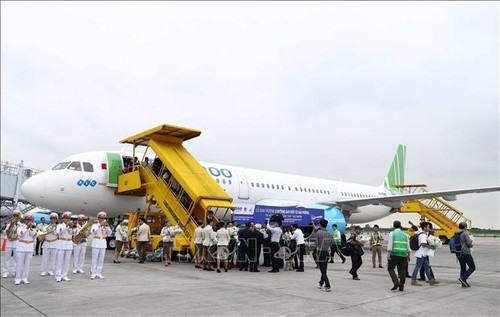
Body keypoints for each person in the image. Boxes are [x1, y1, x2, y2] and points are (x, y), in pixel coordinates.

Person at [411, 222, 439, 286]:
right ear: (425, 227)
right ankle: (413, 280)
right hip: (421, 253)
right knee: (418, 267)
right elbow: (423, 244)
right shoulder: (423, 235)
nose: (429, 228)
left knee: (426, 267)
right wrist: (431, 247)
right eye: (428, 227)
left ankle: (431, 280)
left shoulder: (421, 233)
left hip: (423, 253)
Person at [386, 220, 410, 291]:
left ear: (393, 226)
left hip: (395, 254)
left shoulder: (392, 233)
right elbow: (408, 246)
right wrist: (408, 255)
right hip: (403, 255)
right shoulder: (405, 235)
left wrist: (388, 254)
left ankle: (396, 282)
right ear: (400, 226)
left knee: (390, 268)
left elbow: (390, 245)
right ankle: (401, 285)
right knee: (402, 270)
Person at [14, 212, 37, 285]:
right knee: (19, 264)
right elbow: (20, 234)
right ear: (24, 220)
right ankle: (18, 278)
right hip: (21, 247)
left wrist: (31, 229)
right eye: (27, 219)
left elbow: (35, 235)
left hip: (29, 247)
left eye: (30, 220)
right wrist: (26, 227)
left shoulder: (32, 228)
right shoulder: (20, 227)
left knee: (27, 264)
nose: (29, 221)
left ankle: (24, 278)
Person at [55, 211, 77, 282]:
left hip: (69, 244)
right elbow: (58, 232)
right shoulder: (60, 225)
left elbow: (76, 233)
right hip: (61, 244)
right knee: (60, 261)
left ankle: (64, 275)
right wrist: (66, 226)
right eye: (66, 218)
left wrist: (74, 228)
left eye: (69, 218)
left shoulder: (71, 225)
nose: (68, 219)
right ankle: (58, 275)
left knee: (67, 261)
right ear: (63, 219)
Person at [90, 212, 112, 279]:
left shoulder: (106, 225)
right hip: (96, 242)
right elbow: (92, 231)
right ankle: (93, 273)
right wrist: (99, 226)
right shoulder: (95, 225)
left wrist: (107, 228)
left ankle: (99, 273)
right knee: (95, 259)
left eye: (103, 218)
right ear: (98, 218)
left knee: (101, 259)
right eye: (101, 218)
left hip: (103, 243)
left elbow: (109, 233)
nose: (102, 219)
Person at [313, 219, 332, 292]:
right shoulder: (330, 234)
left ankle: (328, 285)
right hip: (327, 252)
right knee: (324, 269)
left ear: (320, 225)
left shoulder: (319, 233)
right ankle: (321, 283)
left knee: (322, 270)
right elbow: (330, 244)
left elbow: (316, 243)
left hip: (320, 252)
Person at [2, 210, 21, 278]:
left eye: (17, 216)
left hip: (16, 243)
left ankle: (15, 272)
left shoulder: (20, 225)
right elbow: (4, 233)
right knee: (6, 258)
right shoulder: (8, 224)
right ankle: (5, 272)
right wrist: (7, 230)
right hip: (9, 242)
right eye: (14, 216)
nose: (15, 217)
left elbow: (20, 234)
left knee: (17, 259)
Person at [456, 222, 475, 287]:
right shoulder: (465, 233)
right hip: (465, 252)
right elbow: (469, 244)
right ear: (465, 227)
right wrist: (471, 243)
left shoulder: (456, 233)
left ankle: (463, 283)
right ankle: (463, 278)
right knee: (472, 267)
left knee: (463, 267)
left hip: (458, 253)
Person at [40, 213, 59, 277]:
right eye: (52, 219)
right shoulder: (46, 227)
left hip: (54, 243)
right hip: (46, 244)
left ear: (56, 220)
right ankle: (43, 271)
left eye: (54, 219)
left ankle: (50, 270)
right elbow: (42, 234)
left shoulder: (58, 227)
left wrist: (55, 228)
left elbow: (58, 233)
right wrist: (50, 229)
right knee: (45, 258)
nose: (53, 220)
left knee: (52, 258)